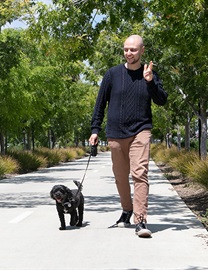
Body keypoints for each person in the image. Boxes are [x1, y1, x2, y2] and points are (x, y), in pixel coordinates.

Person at [88, 35, 168, 238]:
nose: (129, 53)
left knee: (139, 174)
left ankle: (140, 221)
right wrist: (95, 129)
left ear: (142, 51)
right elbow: (100, 103)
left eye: (133, 49)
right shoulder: (112, 74)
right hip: (115, 132)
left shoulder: (149, 74)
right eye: (126, 49)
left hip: (141, 130)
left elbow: (162, 100)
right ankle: (127, 208)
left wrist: (150, 82)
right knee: (120, 176)